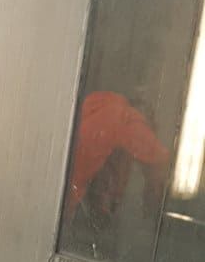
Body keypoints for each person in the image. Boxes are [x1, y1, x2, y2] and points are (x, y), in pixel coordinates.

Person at [65, 89, 169, 234]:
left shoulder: (97, 110)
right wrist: (155, 193)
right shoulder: (123, 115)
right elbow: (161, 161)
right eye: (149, 126)